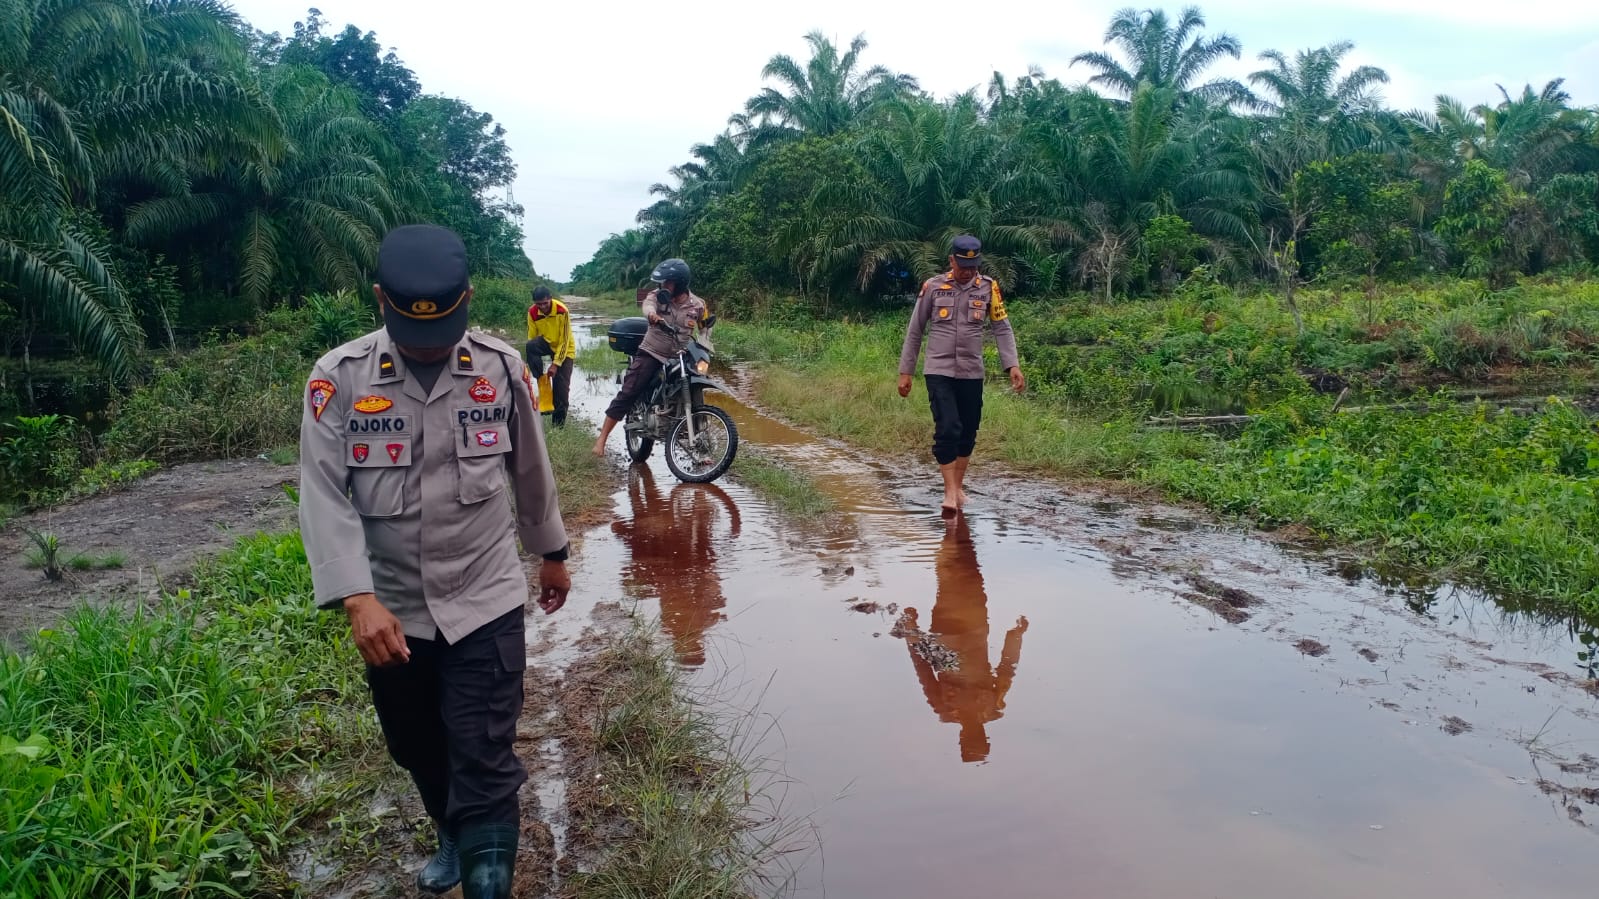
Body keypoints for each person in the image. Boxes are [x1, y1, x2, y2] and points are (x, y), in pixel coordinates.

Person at [298, 223, 573, 899]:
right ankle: (450, 829)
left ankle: (483, 867)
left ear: (467, 300)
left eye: (441, 330)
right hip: (392, 607)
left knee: (483, 754)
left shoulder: (499, 368)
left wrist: (552, 553)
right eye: (413, 331)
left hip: (484, 593)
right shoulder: (338, 378)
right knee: (415, 743)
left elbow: (529, 469)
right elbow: (323, 493)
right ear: (380, 300)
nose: (428, 346)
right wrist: (356, 596)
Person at [897, 235, 1025, 517]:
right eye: (963, 266)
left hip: (971, 372)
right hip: (938, 370)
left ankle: (957, 487)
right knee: (948, 428)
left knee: (968, 431)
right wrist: (906, 372)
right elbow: (915, 330)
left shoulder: (989, 288)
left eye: (973, 266)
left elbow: (1002, 328)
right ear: (951, 261)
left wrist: (1012, 365)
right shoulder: (933, 287)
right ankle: (949, 491)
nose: (968, 272)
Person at [897, 515, 1027, 763]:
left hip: (954, 631)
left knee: (954, 580)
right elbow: (1007, 668)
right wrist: (1015, 636)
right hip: (968, 629)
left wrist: (910, 630)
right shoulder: (991, 706)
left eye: (971, 739)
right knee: (965, 580)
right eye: (976, 739)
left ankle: (952, 528)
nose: (972, 734)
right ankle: (955, 527)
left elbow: (923, 668)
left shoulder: (947, 708)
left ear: (962, 739)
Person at [592, 257, 709, 457]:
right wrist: (652, 315)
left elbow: (705, 326)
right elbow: (648, 305)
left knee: (696, 386)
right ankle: (601, 440)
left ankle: (701, 445)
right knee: (629, 391)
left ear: (680, 283)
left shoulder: (698, 305)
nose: (663, 286)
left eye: (667, 282)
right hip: (653, 352)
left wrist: (704, 343)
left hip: (681, 355)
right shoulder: (657, 295)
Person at [526, 286, 575, 426]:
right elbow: (532, 339)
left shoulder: (562, 310)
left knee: (561, 390)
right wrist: (533, 365)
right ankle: (542, 382)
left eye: (545, 303)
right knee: (530, 346)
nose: (542, 307)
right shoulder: (532, 312)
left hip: (564, 348)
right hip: (546, 343)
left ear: (550, 299)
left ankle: (558, 426)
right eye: (539, 304)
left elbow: (564, 340)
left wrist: (555, 364)